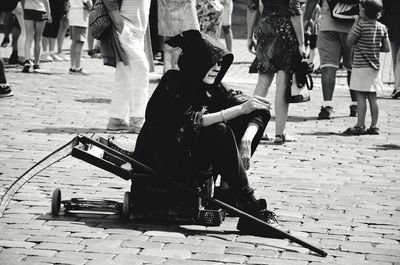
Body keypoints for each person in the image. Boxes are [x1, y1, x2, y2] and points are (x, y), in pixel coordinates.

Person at [134, 30, 277, 231]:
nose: (217, 68)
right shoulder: (172, 82)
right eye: (213, 62)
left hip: (190, 158)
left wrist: (247, 137)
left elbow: (255, 106)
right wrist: (237, 110)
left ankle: (228, 193)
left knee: (237, 116)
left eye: (221, 63)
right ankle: (250, 206)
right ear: (197, 61)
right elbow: (191, 121)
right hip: (164, 160)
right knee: (220, 129)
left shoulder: (215, 88)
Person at [247, 0, 305, 144]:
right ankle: (280, 133)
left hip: (265, 27)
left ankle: (255, 130)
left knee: (263, 81)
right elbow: (294, 10)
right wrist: (302, 43)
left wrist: (249, 36)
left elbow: (252, 7)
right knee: (283, 82)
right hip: (285, 29)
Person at [304, 0, 359, 119]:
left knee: (329, 66)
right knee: (353, 67)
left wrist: (307, 18)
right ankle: (355, 105)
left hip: (328, 25)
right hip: (355, 26)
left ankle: (327, 105)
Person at [102, 0, 151, 133]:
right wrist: (121, 26)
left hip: (137, 32)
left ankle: (116, 119)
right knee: (141, 70)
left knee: (124, 74)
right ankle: (137, 119)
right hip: (126, 29)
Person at [344, 0, 390, 135]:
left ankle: (360, 124)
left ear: (363, 12)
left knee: (360, 96)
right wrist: (374, 48)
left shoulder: (361, 26)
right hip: (374, 67)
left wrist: (355, 23)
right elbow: (386, 48)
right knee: (373, 97)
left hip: (360, 66)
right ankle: (374, 125)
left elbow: (349, 42)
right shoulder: (382, 27)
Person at [157, 0, 200, 73]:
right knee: (174, 43)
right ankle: (172, 75)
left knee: (173, 43)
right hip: (177, 11)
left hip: (177, 11)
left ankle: (171, 74)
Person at [21, 0, 52, 73]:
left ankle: (27, 60)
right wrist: (49, 14)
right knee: (38, 39)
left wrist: (23, 9)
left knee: (28, 37)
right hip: (40, 10)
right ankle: (36, 63)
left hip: (28, 9)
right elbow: (46, 1)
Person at [382, 0, 400, 98]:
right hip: (393, 21)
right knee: (395, 58)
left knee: (397, 58)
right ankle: (396, 87)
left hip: (392, 21)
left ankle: (397, 87)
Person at [68, 0, 91, 74]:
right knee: (79, 43)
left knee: (74, 42)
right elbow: (88, 3)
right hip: (80, 17)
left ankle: (72, 67)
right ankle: (77, 68)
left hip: (73, 15)